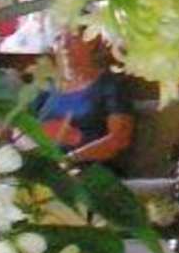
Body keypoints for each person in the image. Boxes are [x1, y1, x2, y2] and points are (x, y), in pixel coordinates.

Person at [31, 29, 136, 166]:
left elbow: (119, 139)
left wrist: (69, 158)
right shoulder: (47, 86)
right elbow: (23, 127)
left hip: (87, 168)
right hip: (42, 165)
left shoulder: (111, 85)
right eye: (58, 38)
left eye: (73, 38)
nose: (64, 45)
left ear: (92, 41)